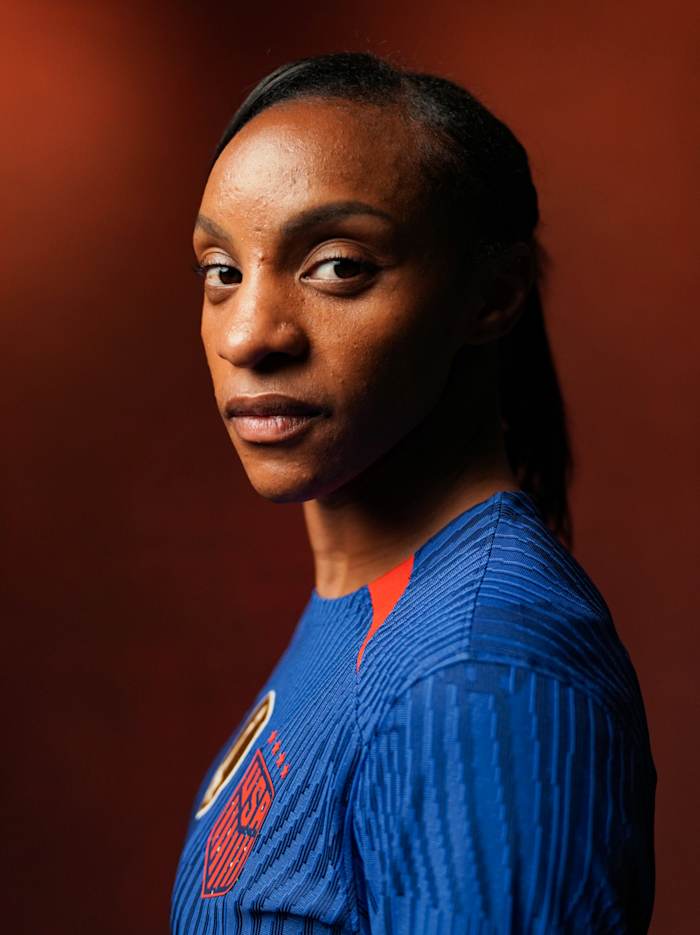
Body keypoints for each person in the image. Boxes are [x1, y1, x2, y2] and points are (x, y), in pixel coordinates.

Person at [170, 51, 656, 934]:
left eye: (338, 265)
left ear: (492, 295)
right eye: (223, 270)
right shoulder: (369, 603)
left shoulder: (479, 671)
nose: (248, 335)